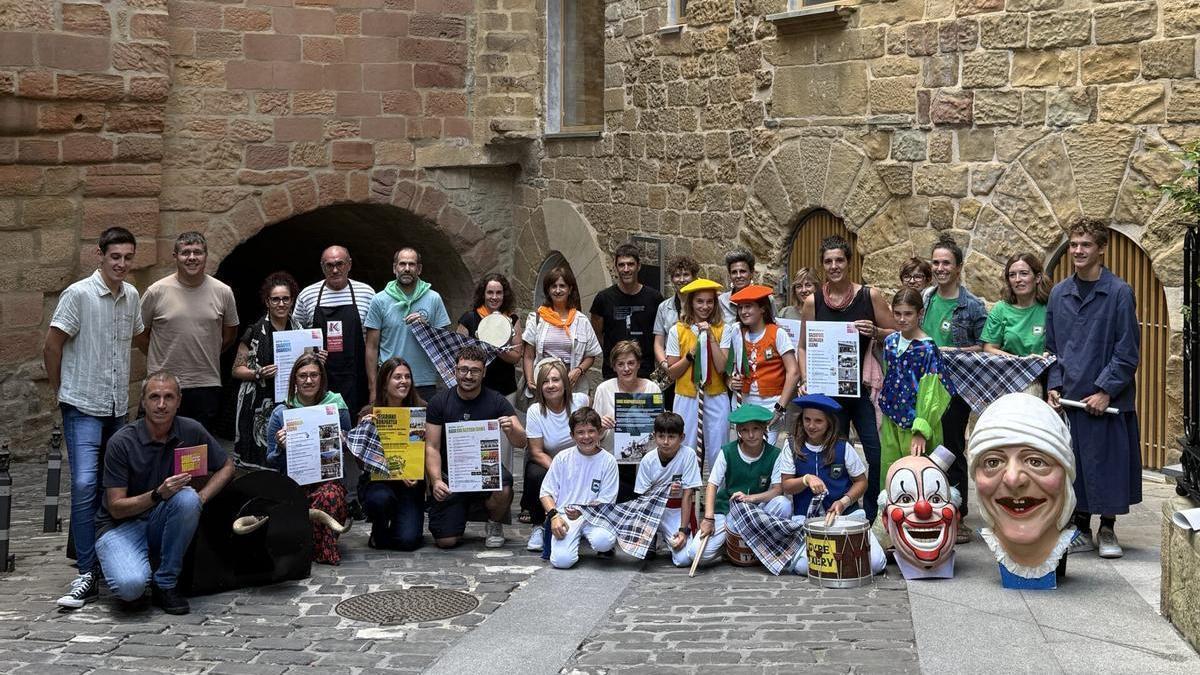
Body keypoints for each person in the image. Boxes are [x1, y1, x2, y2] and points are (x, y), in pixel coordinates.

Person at [43, 227, 145, 609]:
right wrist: (61, 392)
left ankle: (105, 559)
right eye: (114, 256)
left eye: (127, 257)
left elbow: (139, 340)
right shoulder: (79, 294)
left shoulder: (132, 295)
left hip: (117, 407)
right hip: (83, 405)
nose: (121, 264)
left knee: (113, 488)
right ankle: (86, 571)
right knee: (85, 484)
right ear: (99, 255)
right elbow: (52, 346)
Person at [94, 371, 235, 615]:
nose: (161, 404)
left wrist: (201, 499)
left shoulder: (191, 430)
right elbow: (116, 507)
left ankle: (166, 582)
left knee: (188, 499)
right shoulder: (122, 442)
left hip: (162, 520)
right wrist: (158, 493)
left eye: (168, 397)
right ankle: (121, 560)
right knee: (130, 588)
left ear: (179, 400)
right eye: (154, 397)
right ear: (143, 401)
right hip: (121, 527)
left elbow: (227, 466)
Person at [1046, 218, 1141, 559]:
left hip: (1106, 399)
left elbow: (1127, 350)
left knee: (1109, 464)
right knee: (1077, 466)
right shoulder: (1059, 293)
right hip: (1070, 397)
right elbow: (1051, 347)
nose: (1078, 251)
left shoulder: (1118, 292)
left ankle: (1109, 528)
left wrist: (1105, 391)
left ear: (1101, 249)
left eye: (1086, 244)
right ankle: (1081, 526)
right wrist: (1054, 385)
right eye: (1073, 244)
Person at [801, 234, 895, 523]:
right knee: (833, 455)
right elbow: (804, 346)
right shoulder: (813, 301)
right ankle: (837, 508)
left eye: (839, 260)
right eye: (828, 261)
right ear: (822, 265)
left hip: (863, 390)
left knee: (875, 452)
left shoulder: (870, 296)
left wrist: (876, 332)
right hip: (830, 393)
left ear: (849, 262)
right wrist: (807, 379)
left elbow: (897, 334)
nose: (834, 266)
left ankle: (874, 511)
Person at [425, 346, 528, 548]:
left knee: (505, 485)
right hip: (451, 474)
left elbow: (521, 441)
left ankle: (494, 523)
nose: (468, 376)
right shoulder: (439, 402)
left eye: (475, 370)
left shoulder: (496, 400)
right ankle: (459, 512)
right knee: (446, 542)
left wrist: (511, 430)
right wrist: (436, 480)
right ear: (455, 371)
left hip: (485, 469)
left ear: (484, 372)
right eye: (463, 369)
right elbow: (432, 447)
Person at [135, 231, 239, 432]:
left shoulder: (223, 292)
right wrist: (163, 355)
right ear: (175, 257)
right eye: (185, 253)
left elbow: (229, 335)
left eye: (197, 252)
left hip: (205, 383)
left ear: (206, 256)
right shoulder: (156, 291)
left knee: (195, 455)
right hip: (163, 384)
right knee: (158, 444)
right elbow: (140, 335)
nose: (192, 258)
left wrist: (206, 350)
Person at [920, 234, 987, 543]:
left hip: (955, 389)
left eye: (946, 263)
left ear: (959, 267)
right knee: (925, 445)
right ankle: (929, 507)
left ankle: (958, 515)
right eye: (936, 262)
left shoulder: (972, 306)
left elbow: (984, 347)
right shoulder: (924, 298)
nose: (940, 268)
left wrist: (954, 353)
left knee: (951, 447)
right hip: (922, 386)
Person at [780, 394, 885, 576]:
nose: (811, 426)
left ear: (829, 422)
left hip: (845, 517)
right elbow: (786, 486)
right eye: (807, 419)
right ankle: (847, 564)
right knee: (802, 567)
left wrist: (844, 502)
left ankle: (841, 563)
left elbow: (861, 482)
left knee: (876, 563)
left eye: (818, 421)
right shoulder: (791, 446)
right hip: (808, 521)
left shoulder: (843, 447)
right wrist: (805, 479)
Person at [266, 353, 354, 565]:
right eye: (303, 375)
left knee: (330, 494)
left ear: (321, 378)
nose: (308, 380)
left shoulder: (336, 407)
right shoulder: (281, 413)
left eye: (314, 375)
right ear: (294, 380)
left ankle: (317, 547)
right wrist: (280, 447)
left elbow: (348, 451)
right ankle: (316, 543)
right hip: (294, 483)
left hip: (327, 480)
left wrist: (343, 440)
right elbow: (270, 460)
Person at [685, 404, 793, 566]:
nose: (750, 435)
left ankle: (762, 546)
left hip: (758, 510)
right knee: (696, 554)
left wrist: (750, 498)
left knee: (783, 504)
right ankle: (729, 546)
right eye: (744, 430)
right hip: (729, 510)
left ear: (764, 428)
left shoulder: (774, 454)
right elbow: (712, 485)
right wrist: (708, 518)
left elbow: (777, 490)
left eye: (756, 428)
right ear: (738, 431)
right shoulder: (728, 451)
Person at [878, 289, 956, 486]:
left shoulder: (927, 348)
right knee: (891, 471)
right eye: (897, 313)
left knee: (917, 475)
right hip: (892, 417)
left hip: (916, 421)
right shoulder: (890, 342)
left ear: (920, 314)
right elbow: (889, 375)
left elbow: (934, 393)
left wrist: (921, 429)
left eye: (908, 314)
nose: (902, 319)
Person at [351, 357, 427, 551]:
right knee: (380, 501)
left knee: (407, 541)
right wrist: (364, 432)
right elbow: (360, 464)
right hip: (378, 483)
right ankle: (379, 525)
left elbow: (431, 450)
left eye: (407, 377)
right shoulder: (369, 412)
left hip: (410, 485)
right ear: (385, 382)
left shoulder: (422, 410)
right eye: (397, 377)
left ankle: (403, 521)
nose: (404, 381)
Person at [293, 245, 376, 415]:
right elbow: (294, 335)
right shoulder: (308, 295)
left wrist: (373, 385)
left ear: (349, 264)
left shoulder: (367, 293)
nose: (335, 270)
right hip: (318, 379)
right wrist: (310, 352)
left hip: (357, 377)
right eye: (329, 265)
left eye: (340, 264)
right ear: (322, 267)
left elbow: (375, 341)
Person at [231, 272, 301, 469]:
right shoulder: (253, 331)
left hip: (289, 401)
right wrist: (258, 373)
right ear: (267, 302)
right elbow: (236, 369)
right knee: (257, 456)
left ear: (292, 300)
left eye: (285, 299)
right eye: (275, 299)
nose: (281, 304)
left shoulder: (301, 331)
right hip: (257, 404)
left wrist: (316, 359)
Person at [365, 247, 451, 402]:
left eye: (411, 265)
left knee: (423, 426)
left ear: (419, 269)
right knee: (392, 426)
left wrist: (427, 329)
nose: (406, 269)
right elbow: (371, 347)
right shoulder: (379, 300)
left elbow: (444, 344)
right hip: (390, 381)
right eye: (402, 264)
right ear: (394, 268)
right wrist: (373, 387)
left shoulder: (433, 298)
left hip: (424, 381)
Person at [718, 285, 800, 445]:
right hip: (744, 402)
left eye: (748, 306)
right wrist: (730, 382)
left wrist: (780, 407)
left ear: (762, 309)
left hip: (771, 404)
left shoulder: (777, 333)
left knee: (766, 451)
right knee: (745, 451)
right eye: (740, 307)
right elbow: (726, 368)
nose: (743, 312)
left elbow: (794, 372)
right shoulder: (736, 333)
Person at [522, 358, 590, 550]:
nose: (551, 385)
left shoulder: (581, 401)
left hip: (580, 458)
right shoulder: (535, 411)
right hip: (549, 462)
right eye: (545, 381)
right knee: (535, 473)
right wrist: (560, 471)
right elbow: (535, 451)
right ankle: (538, 525)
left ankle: (585, 523)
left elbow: (592, 431)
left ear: (565, 383)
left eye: (555, 380)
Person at [541, 407, 620, 569]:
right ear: (572, 435)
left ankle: (600, 544)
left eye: (591, 431)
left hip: (595, 516)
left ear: (599, 432)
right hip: (566, 515)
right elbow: (546, 493)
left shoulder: (608, 461)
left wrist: (583, 511)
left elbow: (607, 501)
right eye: (580, 432)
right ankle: (568, 542)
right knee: (562, 562)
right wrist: (554, 516)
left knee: (603, 541)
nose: (586, 437)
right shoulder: (562, 458)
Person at [665, 278, 730, 469]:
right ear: (691, 303)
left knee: (719, 449)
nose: (705, 306)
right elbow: (672, 372)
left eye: (710, 301)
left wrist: (710, 337)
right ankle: (687, 496)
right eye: (700, 301)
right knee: (686, 448)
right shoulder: (677, 330)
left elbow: (721, 367)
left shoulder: (722, 329)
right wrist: (689, 356)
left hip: (716, 395)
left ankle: (716, 496)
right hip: (686, 396)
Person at [594, 341, 662, 501]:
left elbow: (661, 428)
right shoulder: (603, 390)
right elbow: (593, 433)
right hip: (612, 460)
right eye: (620, 364)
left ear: (638, 364)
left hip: (645, 461)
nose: (626, 368)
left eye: (631, 363)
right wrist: (602, 427)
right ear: (614, 366)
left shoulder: (652, 389)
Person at [522, 264, 602, 397]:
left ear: (570, 289)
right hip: (544, 386)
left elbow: (591, 355)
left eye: (562, 286)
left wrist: (578, 370)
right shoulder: (537, 318)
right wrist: (530, 380)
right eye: (553, 286)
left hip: (573, 386)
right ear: (548, 290)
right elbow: (528, 355)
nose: (558, 290)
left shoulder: (581, 321)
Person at [634, 412, 702, 567]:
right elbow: (641, 499)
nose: (665, 442)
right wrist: (663, 492)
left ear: (682, 437)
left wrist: (683, 530)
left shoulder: (688, 455)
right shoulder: (648, 460)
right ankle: (650, 538)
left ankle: (669, 536)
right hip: (652, 510)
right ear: (654, 436)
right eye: (661, 436)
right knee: (638, 551)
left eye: (671, 437)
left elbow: (688, 495)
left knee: (684, 559)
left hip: (676, 509)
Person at [590, 243, 663, 380]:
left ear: (638, 266)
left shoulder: (654, 298)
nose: (626, 269)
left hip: (644, 372)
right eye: (621, 265)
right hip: (614, 372)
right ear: (615, 267)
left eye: (630, 264)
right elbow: (598, 334)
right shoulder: (603, 299)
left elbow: (659, 334)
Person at [456, 273, 523, 397]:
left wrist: (495, 346)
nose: (494, 297)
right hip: (473, 388)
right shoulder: (469, 319)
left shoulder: (512, 319)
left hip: (505, 389)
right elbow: (457, 355)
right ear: (483, 294)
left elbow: (516, 357)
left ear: (504, 295)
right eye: (490, 292)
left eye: (499, 293)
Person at [652, 255, 700, 411]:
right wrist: (665, 365)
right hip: (672, 372)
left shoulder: (703, 305)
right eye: (677, 275)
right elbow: (659, 342)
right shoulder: (663, 307)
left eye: (686, 274)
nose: (682, 279)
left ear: (694, 276)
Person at [983, 253, 1051, 357]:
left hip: (1044, 370)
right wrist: (1020, 361)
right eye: (1012, 275)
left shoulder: (1050, 308)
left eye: (1024, 273)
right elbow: (989, 348)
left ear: (1037, 278)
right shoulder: (1000, 309)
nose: (1017, 279)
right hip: (1008, 369)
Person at [718, 249, 757, 325]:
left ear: (751, 273)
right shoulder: (722, 301)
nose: (738, 276)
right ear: (730, 275)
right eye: (734, 272)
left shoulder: (765, 299)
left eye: (742, 271)